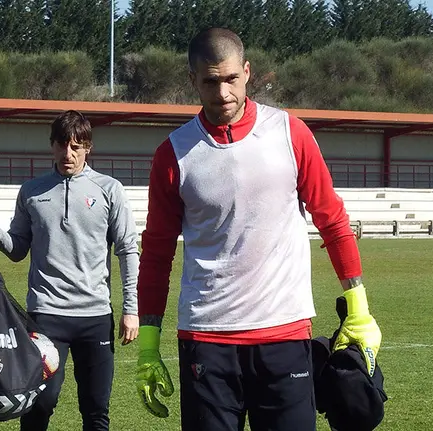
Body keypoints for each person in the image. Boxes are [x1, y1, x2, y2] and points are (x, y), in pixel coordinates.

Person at [134, 27, 383, 431]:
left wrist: (358, 308)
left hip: (283, 334)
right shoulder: (173, 153)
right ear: (192, 80)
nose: (223, 93)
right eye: (210, 81)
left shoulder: (290, 133)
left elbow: (332, 220)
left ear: (247, 72)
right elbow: (157, 253)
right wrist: (148, 344)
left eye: (231, 78)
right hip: (206, 339)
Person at [0, 110, 140, 431]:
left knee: (96, 410)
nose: (68, 154)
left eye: (76, 146)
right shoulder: (31, 191)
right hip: (46, 316)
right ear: (52, 146)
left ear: (88, 147)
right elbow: (17, 250)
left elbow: (128, 249)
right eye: (62, 145)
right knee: (39, 404)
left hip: (96, 317)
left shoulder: (109, 190)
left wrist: (131, 309)